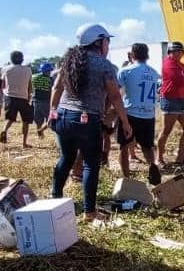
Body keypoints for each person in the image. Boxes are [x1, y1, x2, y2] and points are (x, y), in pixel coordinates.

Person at [50, 23, 131, 221]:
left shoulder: (68, 60)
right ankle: (89, 212)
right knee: (90, 165)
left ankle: (55, 199)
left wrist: (52, 111)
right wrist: (125, 122)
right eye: (107, 41)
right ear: (99, 42)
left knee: (66, 158)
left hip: (63, 116)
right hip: (87, 120)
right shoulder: (104, 65)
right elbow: (114, 96)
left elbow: (57, 87)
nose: (108, 46)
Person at [117, 42, 163, 186]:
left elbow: (115, 92)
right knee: (147, 146)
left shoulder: (125, 71)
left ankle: (127, 177)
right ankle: (152, 164)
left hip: (130, 113)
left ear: (133, 55)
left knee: (123, 147)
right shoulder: (154, 73)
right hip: (148, 114)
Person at [157, 42, 184, 168]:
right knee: (166, 131)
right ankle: (159, 158)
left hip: (182, 100)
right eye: (176, 51)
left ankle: (180, 157)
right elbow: (179, 80)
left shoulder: (182, 66)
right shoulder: (168, 64)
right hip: (170, 100)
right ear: (170, 52)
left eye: (181, 51)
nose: (179, 53)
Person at [0, 50, 34, 145]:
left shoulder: (5, 69)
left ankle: (4, 130)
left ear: (11, 59)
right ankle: (24, 143)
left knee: (10, 119)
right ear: (22, 59)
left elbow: (2, 85)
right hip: (23, 97)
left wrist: (5, 94)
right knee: (26, 121)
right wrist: (29, 97)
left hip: (10, 96)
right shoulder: (28, 70)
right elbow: (30, 86)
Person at [31, 62, 53, 139]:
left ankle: (40, 134)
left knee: (38, 119)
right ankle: (41, 130)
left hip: (35, 101)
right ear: (46, 71)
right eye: (49, 71)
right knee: (51, 120)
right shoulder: (50, 80)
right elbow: (52, 90)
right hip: (46, 102)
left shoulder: (34, 77)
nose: (50, 72)